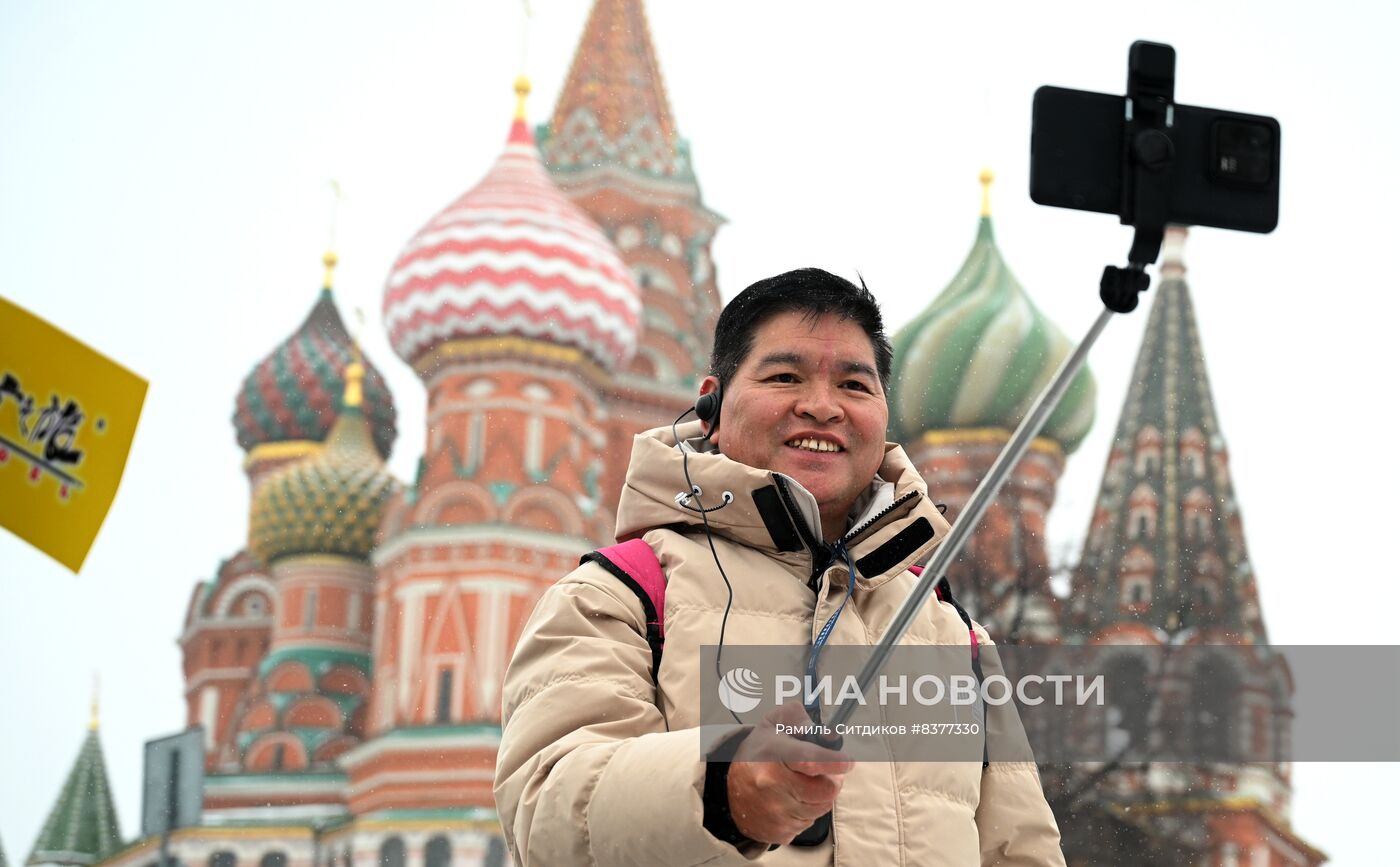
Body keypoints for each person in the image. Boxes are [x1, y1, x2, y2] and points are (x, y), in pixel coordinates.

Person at [494, 268, 1066, 865]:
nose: (822, 407)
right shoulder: (621, 595)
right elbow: (547, 816)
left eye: (854, 385)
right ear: (711, 404)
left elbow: (1020, 849)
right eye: (785, 376)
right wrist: (722, 788)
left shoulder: (951, 631)